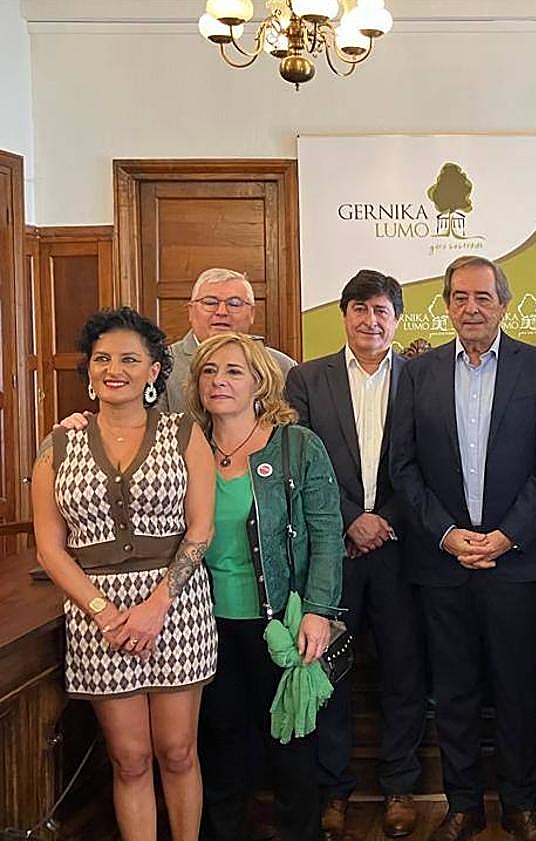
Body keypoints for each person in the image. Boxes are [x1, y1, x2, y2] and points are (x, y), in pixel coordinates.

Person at [390, 255, 536, 841]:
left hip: (514, 561)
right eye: (460, 297)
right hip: (442, 563)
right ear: (446, 304)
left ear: (504, 304)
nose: (471, 307)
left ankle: (522, 806)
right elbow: (404, 467)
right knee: (455, 689)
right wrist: (447, 535)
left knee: (518, 688)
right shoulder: (415, 374)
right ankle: (462, 805)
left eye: (483, 297)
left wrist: (506, 535)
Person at [31, 307, 216, 841]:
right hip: (97, 616)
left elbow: (200, 529)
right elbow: (50, 548)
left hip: (176, 607)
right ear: (89, 370)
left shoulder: (183, 434)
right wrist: (106, 613)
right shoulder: (57, 446)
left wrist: (158, 603)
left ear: (154, 371)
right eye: (103, 358)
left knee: (178, 751)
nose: (115, 368)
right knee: (130, 758)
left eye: (130, 359)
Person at [285, 269, 426, 839]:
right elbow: (299, 463)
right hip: (331, 551)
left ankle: (399, 787)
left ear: (397, 318)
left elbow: (427, 463)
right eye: (361, 309)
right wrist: (350, 520)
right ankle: (334, 791)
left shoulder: (420, 379)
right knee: (330, 674)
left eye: (382, 310)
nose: (371, 320)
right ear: (343, 314)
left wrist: (384, 520)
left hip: (400, 548)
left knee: (403, 671)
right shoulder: (307, 379)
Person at [190, 332, 344, 841]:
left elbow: (326, 534)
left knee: (291, 744)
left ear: (259, 382)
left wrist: (320, 610)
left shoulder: (298, 446)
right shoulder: (184, 446)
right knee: (220, 744)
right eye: (209, 371)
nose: (219, 381)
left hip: (280, 621)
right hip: (201, 627)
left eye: (233, 371)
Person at [161, 268, 296, 413]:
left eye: (234, 303)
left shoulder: (282, 366)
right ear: (191, 311)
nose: (221, 312)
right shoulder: (162, 365)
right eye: (210, 302)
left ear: (252, 314)